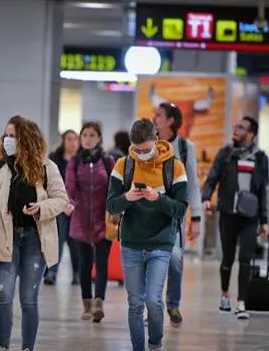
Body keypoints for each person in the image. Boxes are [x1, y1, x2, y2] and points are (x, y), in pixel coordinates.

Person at [0, 115, 68, 351]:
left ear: (26, 139)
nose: (8, 140)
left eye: (13, 136)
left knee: (28, 300)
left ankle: (27, 347)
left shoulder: (47, 168)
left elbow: (61, 200)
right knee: (3, 297)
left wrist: (41, 208)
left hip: (34, 241)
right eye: (6, 136)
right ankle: (3, 346)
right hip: (5, 240)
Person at [106, 118, 188, 351]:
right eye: (136, 149)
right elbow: (111, 205)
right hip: (131, 244)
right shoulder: (123, 165)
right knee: (134, 303)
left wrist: (158, 199)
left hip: (161, 244)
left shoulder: (175, 167)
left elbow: (181, 208)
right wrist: (127, 198)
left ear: (156, 140)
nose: (140, 154)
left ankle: (155, 343)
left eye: (145, 149)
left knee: (153, 300)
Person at [201, 116, 269, 320]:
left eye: (241, 127)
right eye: (235, 125)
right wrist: (206, 198)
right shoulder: (226, 154)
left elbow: (262, 191)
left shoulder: (260, 158)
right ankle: (224, 294)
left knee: (246, 259)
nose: (236, 129)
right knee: (228, 258)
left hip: (250, 216)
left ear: (252, 134)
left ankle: (242, 302)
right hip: (228, 214)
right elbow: (212, 178)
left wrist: (264, 220)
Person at [152, 102, 202, 327]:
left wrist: (197, 218)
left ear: (170, 120)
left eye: (159, 115)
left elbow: (192, 183)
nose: (154, 118)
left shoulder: (184, 146)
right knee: (150, 261)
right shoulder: (148, 143)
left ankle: (173, 304)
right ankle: (152, 308)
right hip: (149, 213)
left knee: (175, 258)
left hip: (174, 214)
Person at [65, 122, 115, 322]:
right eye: (84, 135)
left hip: (103, 221)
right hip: (81, 220)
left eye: (91, 135)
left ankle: (98, 303)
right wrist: (68, 203)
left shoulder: (108, 160)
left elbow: (114, 187)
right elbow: (69, 187)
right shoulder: (75, 162)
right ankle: (86, 305)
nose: (87, 138)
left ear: (99, 138)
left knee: (102, 264)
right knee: (85, 265)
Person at [44, 129, 80, 285]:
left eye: (75, 139)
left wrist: (73, 204)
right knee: (57, 239)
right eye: (69, 139)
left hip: (76, 208)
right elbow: (49, 184)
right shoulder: (55, 160)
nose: (72, 142)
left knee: (76, 242)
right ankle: (51, 272)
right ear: (63, 141)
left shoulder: (82, 160)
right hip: (58, 207)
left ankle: (78, 274)